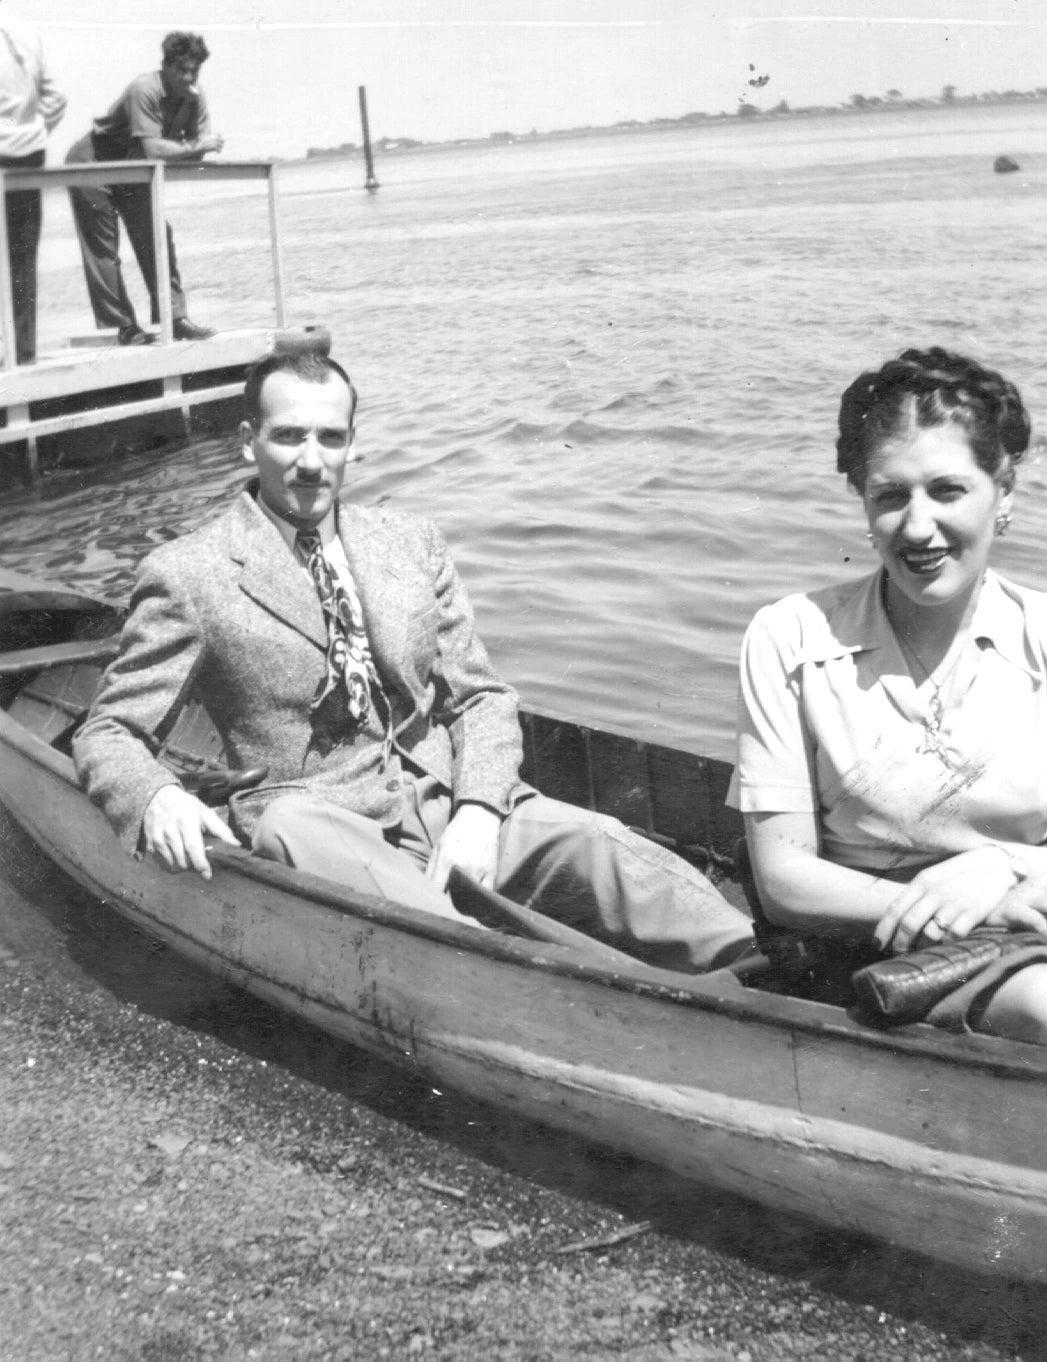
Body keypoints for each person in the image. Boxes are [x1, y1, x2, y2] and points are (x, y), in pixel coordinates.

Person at [73, 349, 755, 973]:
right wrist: (155, 795)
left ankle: (768, 974)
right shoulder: (189, 572)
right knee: (290, 826)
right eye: (288, 436)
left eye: (330, 438)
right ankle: (486, 970)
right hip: (322, 824)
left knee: (602, 844)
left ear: (351, 445)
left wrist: (480, 810)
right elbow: (108, 731)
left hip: (448, 803)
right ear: (248, 440)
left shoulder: (408, 543)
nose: (310, 461)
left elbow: (480, 697)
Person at [728, 346, 1047, 1043]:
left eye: (946, 490)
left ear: (1003, 492)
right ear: (863, 502)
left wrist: (1002, 864)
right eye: (889, 495)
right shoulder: (789, 636)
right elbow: (784, 878)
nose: (916, 526)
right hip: (871, 942)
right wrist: (954, 908)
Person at [64, 31, 222, 347]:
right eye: (182, 70)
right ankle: (121, 327)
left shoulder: (194, 95)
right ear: (166, 66)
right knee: (104, 249)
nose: (188, 77)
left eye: (194, 70)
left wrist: (195, 144)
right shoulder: (144, 89)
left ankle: (174, 319)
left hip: (132, 167)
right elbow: (154, 149)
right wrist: (195, 144)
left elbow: (199, 151)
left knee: (156, 235)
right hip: (93, 161)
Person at [0, 3, 65, 363]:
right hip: (29, 154)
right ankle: (23, 351)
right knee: (22, 258)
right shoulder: (26, 31)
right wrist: (34, 132)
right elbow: (56, 97)